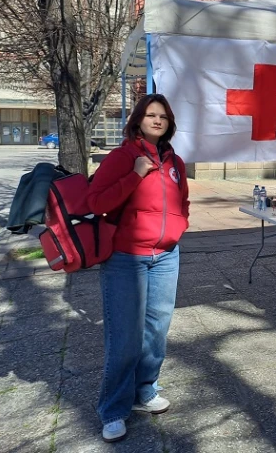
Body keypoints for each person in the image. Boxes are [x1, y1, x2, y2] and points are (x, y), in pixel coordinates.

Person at [87, 94, 190, 443]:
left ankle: (145, 391)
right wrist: (134, 176)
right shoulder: (123, 156)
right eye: (150, 115)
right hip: (126, 257)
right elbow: (96, 202)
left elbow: (182, 200)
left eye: (162, 116)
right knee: (125, 338)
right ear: (138, 120)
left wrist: (180, 226)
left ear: (169, 122)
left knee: (156, 333)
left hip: (166, 256)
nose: (157, 120)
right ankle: (114, 409)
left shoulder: (175, 160)